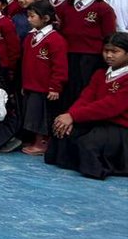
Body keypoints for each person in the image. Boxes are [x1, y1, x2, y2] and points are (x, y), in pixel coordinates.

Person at [45, 32, 128, 179]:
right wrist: (69, 116)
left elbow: (111, 106)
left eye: (115, 52)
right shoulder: (100, 73)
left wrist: (74, 116)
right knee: (62, 131)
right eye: (106, 51)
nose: (109, 55)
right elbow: (86, 98)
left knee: (88, 143)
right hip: (96, 121)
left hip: (120, 127)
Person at [20, 1, 69, 156]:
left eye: (32, 16)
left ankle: (42, 143)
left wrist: (55, 86)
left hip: (44, 87)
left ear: (46, 18)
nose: (29, 19)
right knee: (32, 114)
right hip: (31, 84)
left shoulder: (55, 39)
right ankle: (35, 139)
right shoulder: (30, 37)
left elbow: (59, 66)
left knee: (42, 116)